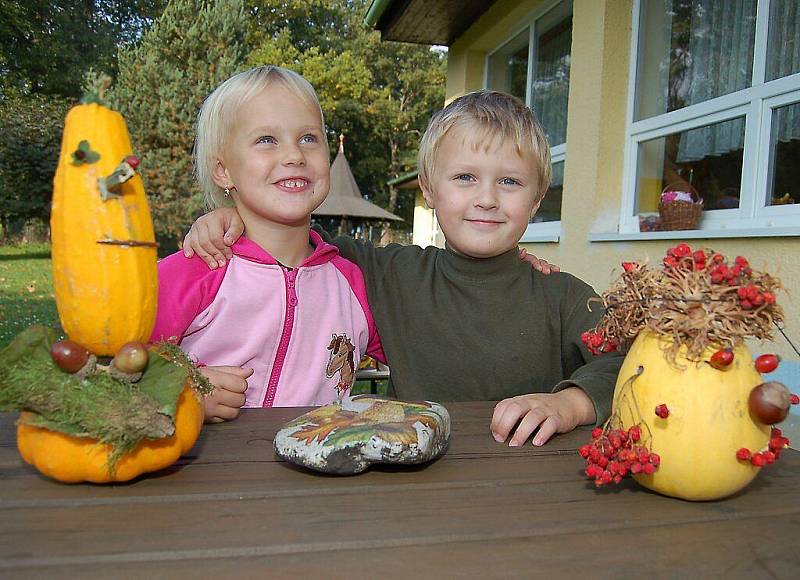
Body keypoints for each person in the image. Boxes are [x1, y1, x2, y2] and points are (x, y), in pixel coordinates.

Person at [182, 90, 622, 446]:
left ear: (537, 198)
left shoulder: (561, 294)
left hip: (529, 487)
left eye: (509, 181)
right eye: (465, 178)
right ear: (429, 190)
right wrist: (229, 219)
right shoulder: (389, 273)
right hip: (409, 489)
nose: (487, 198)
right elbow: (294, 244)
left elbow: (633, 361)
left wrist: (572, 404)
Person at [151, 65, 384, 423]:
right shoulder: (193, 267)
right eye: (266, 140)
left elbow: (426, 357)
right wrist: (180, 391)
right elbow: (119, 366)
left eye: (308, 138)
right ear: (223, 171)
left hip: (321, 473)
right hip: (207, 475)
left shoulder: (353, 284)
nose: (294, 155)